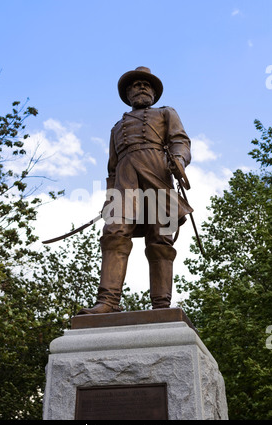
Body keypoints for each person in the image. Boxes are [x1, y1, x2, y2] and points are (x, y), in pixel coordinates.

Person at [78, 67, 192, 315]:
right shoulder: (117, 127)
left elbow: (180, 141)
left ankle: (161, 305)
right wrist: (110, 199)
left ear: (153, 93)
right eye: (136, 85)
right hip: (124, 182)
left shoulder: (166, 113)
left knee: (161, 238)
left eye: (146, 85)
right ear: (128, 94)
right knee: (113, 234)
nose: (142, 87)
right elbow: (112, 168)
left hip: (157, 175)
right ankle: (107, 302)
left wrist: (179, 161)